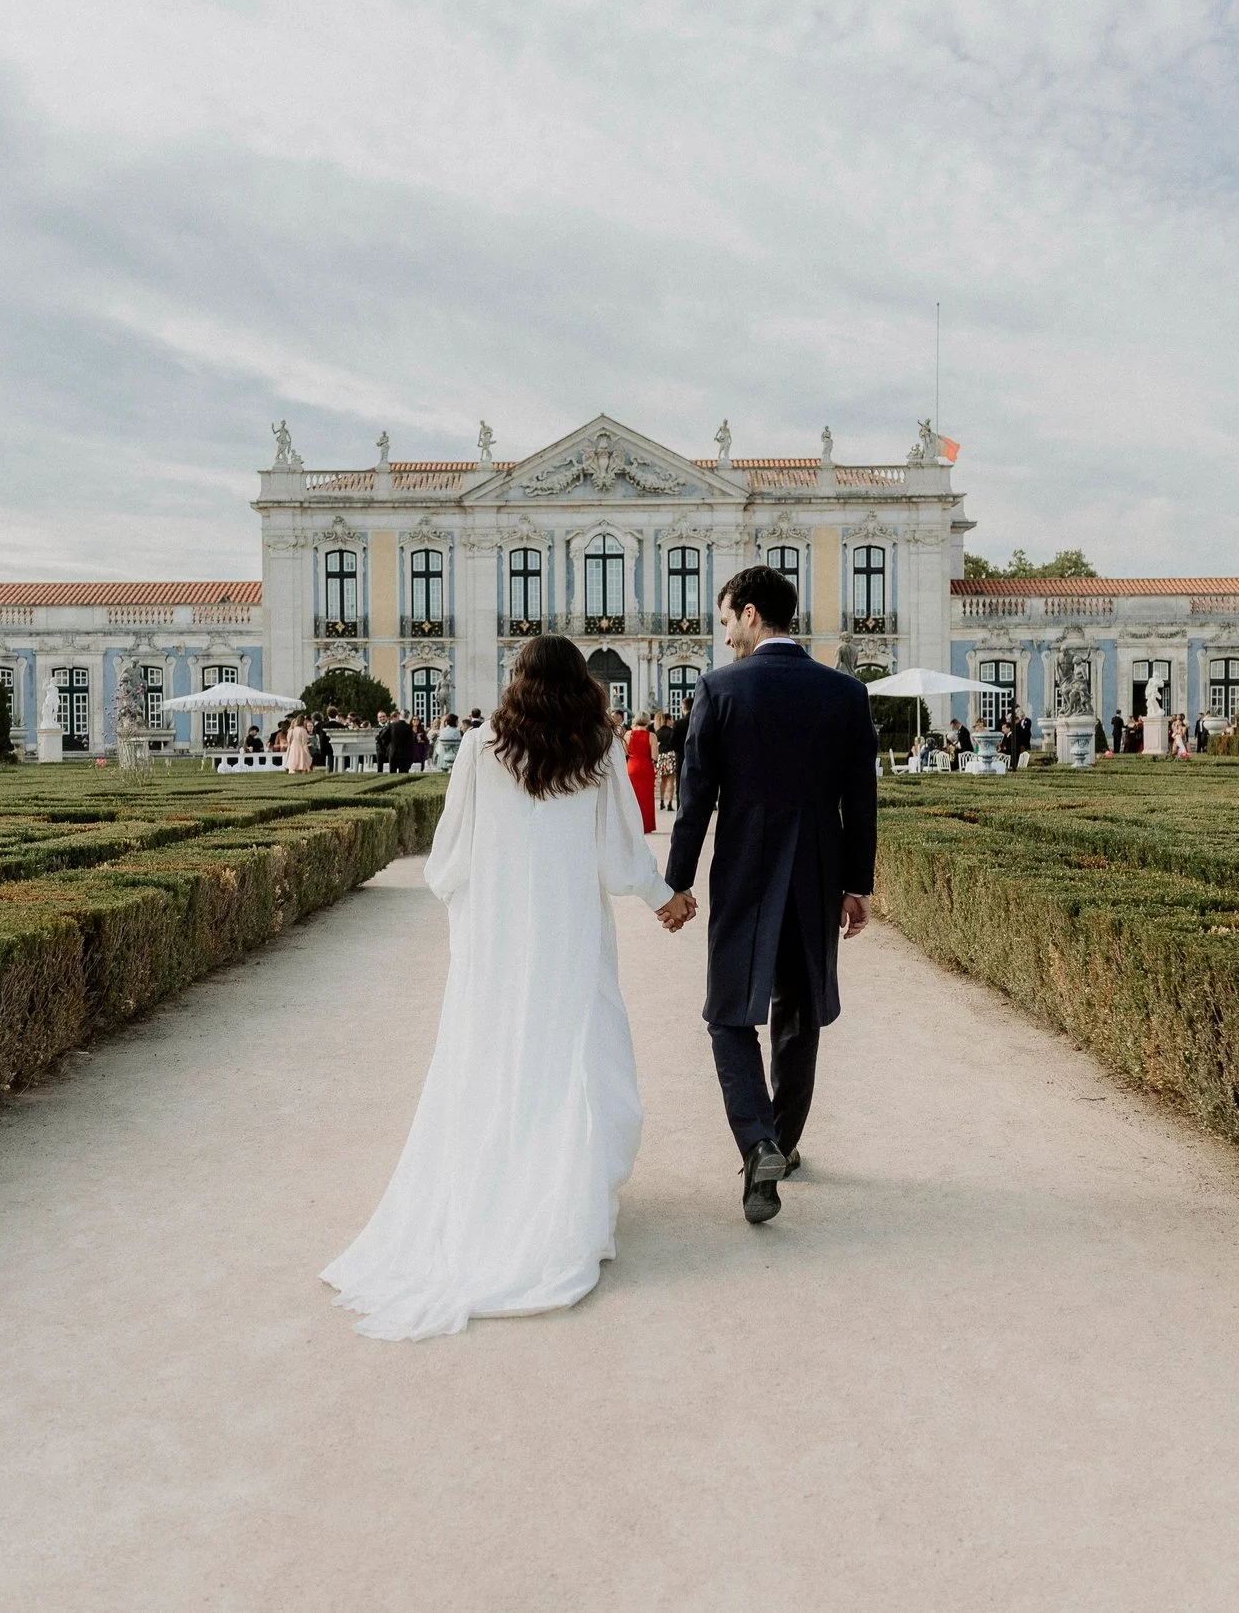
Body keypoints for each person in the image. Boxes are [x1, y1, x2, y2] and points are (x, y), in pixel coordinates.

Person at [323, 636, 681, 1339]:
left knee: (493, 1056)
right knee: (578, 1056)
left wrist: (470, 908)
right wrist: (664, 897)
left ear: (517, 680)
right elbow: (619, 858)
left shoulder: (485, 746)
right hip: (571, 929)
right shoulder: (597, 746)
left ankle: (498, 1192)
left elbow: (449, 855)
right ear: (581, 681)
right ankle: (565, 1198)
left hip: (498, 934)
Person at [663, 564, 878, 1225]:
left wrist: (676, 881)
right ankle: (781, 1142)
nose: (723, 632)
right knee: (800, 1007)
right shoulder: (845, 692)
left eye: (726, 618)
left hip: (746, 870)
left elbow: (696, 799)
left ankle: (757, 1140)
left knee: (729, 1011)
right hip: (816, 868)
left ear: (752, 614)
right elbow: (861, 798)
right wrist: (856, 883)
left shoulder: (719, 688)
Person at [624, 713, 657, 833]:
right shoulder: (651, 736)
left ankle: (632, 825)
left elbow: (625, 752)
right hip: (646, 767)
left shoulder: (628, 734)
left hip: (632, 766)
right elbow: (654, 756)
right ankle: (646, 825)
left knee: (631, 796)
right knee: (646, 797)